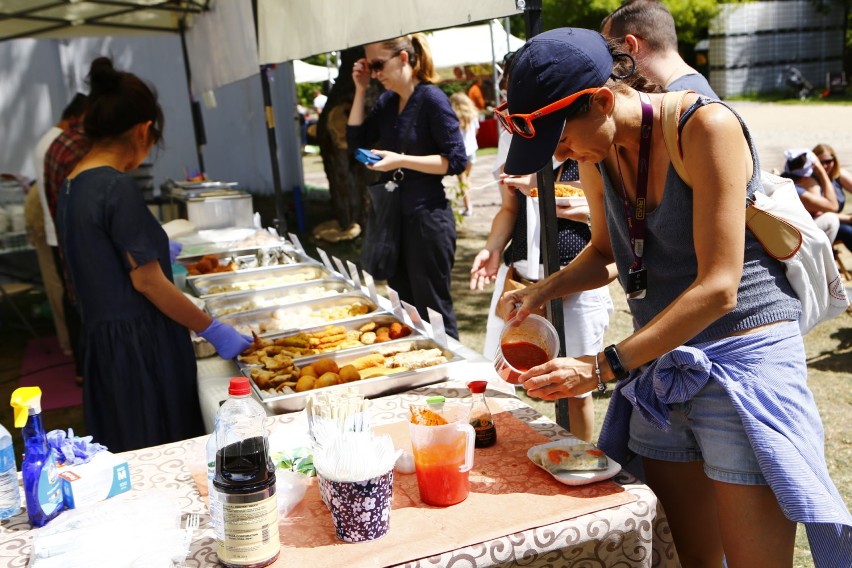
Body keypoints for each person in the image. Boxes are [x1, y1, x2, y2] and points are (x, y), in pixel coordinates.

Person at [495, 28, 850, 566]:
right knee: (685, 557)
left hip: (743, 363)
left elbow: (719, 288)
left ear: (603, 100)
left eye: (561, 140)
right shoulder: (599, 151)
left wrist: (602, 367)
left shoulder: (706, 126)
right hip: (661, 365)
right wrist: (542, 291)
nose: (561, 155)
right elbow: (604, 252)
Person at [56, 57, 251, 452]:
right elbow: (147, 282)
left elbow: (103, 257)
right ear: (143, 130)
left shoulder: (72, 184)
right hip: (139, 352)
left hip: (104, 345)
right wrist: (211, 328)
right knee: (159, 447)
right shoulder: (115, 187)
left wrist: (159, 249)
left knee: (127, 447)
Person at [471, 159, 613, 442]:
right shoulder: (519, 147)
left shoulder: (588, 151)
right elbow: (510, 208)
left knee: (574, 387)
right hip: (519, 277)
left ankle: (578, 458)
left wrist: (547, 191)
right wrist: (493, 247)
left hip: (578, 279)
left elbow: (610, 216)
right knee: (500, 376)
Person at [347, 33, 467, 339]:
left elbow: (455, 160)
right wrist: (360, 90)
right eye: (368, 65)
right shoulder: (388, 101)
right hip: (396, 218)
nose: (374, 73)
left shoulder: (431, 99)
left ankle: (456, 380)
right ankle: (422, 377)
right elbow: (356, 140)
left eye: (377, 64)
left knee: (434, 311)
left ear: (404, 58)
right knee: (404, 309)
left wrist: (401, 160)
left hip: (427, 217)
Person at [29, 93, 88, 355]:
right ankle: (74, 353)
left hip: (56, 226)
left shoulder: (49, 141)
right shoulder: (58, 142)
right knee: (70, 295)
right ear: (77, 119)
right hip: (57, 229)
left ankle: (75, 354)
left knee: (68, 294)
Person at [44, 94, 93, 384]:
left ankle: (80, 368)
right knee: (73, 302)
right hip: (62, 237)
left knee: (71, 298)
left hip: (62, 235)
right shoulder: (68, 145)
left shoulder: (58, 142)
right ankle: (80, 369)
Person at [601, 0, 719, 97]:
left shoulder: (677, 106)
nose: (611, 64)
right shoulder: (694, 92)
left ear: (631, 46)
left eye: (612, 52)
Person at [781, 149, 840, 244]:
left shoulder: (784, 182)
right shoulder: (794, 190)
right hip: (791, 239)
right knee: (831, 219)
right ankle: (822, 258)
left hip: (788, 234)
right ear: (806, 175)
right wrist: (821, 171)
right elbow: (833, 206)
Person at [812, 142, 852, 251]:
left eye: (828, 161)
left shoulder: (837, 175)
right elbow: (820, 214)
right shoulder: (811, 182)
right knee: (848, 231)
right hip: (820, 225)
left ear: (834, 160)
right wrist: (849, 218)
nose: (825, 166)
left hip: (839, 220)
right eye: (821, 162)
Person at [449, 91, 479, 216]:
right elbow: (476, 131)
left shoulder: (453, 118)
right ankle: (468, 205)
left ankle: (468, 207)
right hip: (472, 151)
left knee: (462, 181)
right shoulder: (473, 115)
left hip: (460, 153)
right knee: (466, 179)